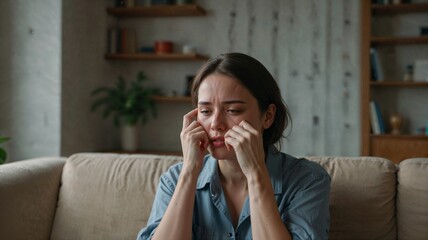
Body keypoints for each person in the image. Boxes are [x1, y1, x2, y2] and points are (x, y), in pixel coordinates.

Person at [137, 53, 330, 240]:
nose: (215, 124)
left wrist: (256, 174)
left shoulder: (307, 181)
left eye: (233, 110)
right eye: (205, 111)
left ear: (268, 116)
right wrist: (189, 172)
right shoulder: (174, 180)